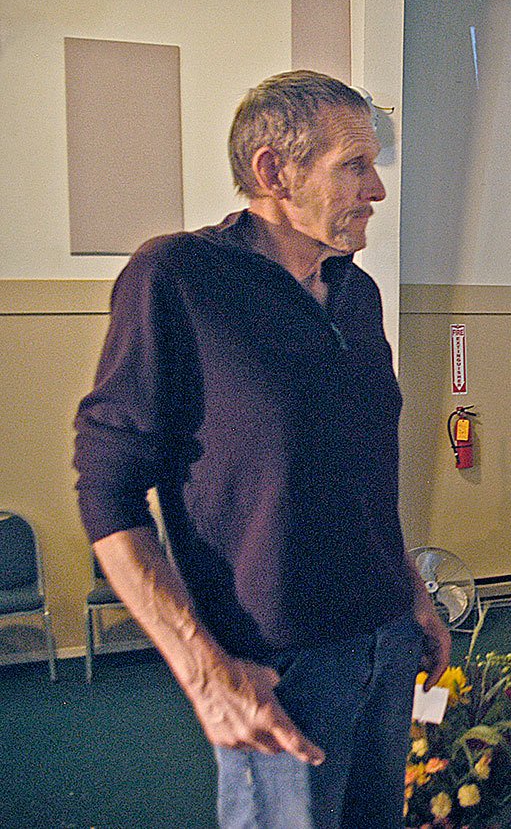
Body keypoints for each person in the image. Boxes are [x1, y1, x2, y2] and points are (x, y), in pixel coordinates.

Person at [73, 70, 451, 828]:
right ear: (274, 171)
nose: (377, 190)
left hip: (384, 641)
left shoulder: (357, 294)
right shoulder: (178, 278)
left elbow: (359, 469)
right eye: (354, 166)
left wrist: (408, 587)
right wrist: (203, 670)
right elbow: (107, 492)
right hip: (280, 668)